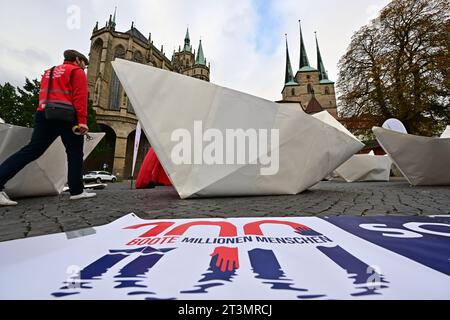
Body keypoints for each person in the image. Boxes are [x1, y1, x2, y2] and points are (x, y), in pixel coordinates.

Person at [0, 49, 96, 206]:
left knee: (31, 151)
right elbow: (80, 96)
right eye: (84, 65)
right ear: (78, 60)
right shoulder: (76, 71)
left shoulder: (49, 71)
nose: (84, 68)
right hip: (67, 117)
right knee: (74, 154)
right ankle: (77, 191)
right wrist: (83, 121)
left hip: (44, 114)